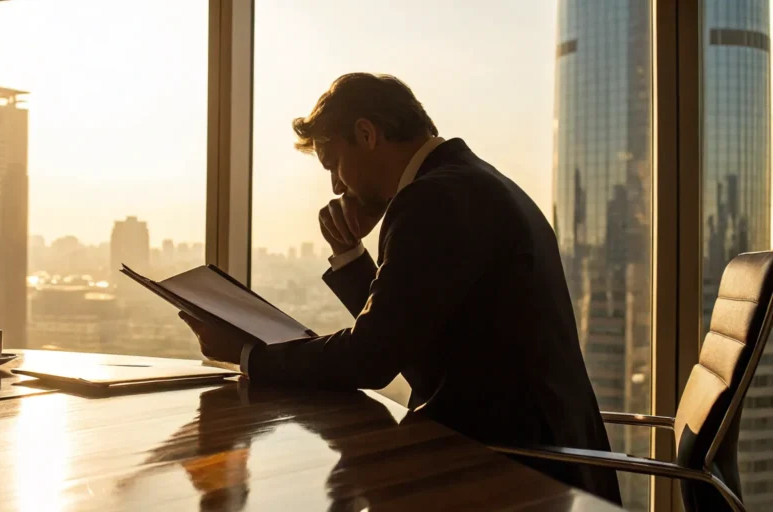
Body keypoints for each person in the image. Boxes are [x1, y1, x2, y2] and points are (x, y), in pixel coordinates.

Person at [179, 72, 621, 505]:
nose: (336, 186)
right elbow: (410, 338)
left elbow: (372, 359)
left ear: (367, 134)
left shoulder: (433, 200)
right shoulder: (470, 182)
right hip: (545, 453)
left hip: (515, 471)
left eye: (334, 166)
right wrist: (350, 255)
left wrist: (246, 353)